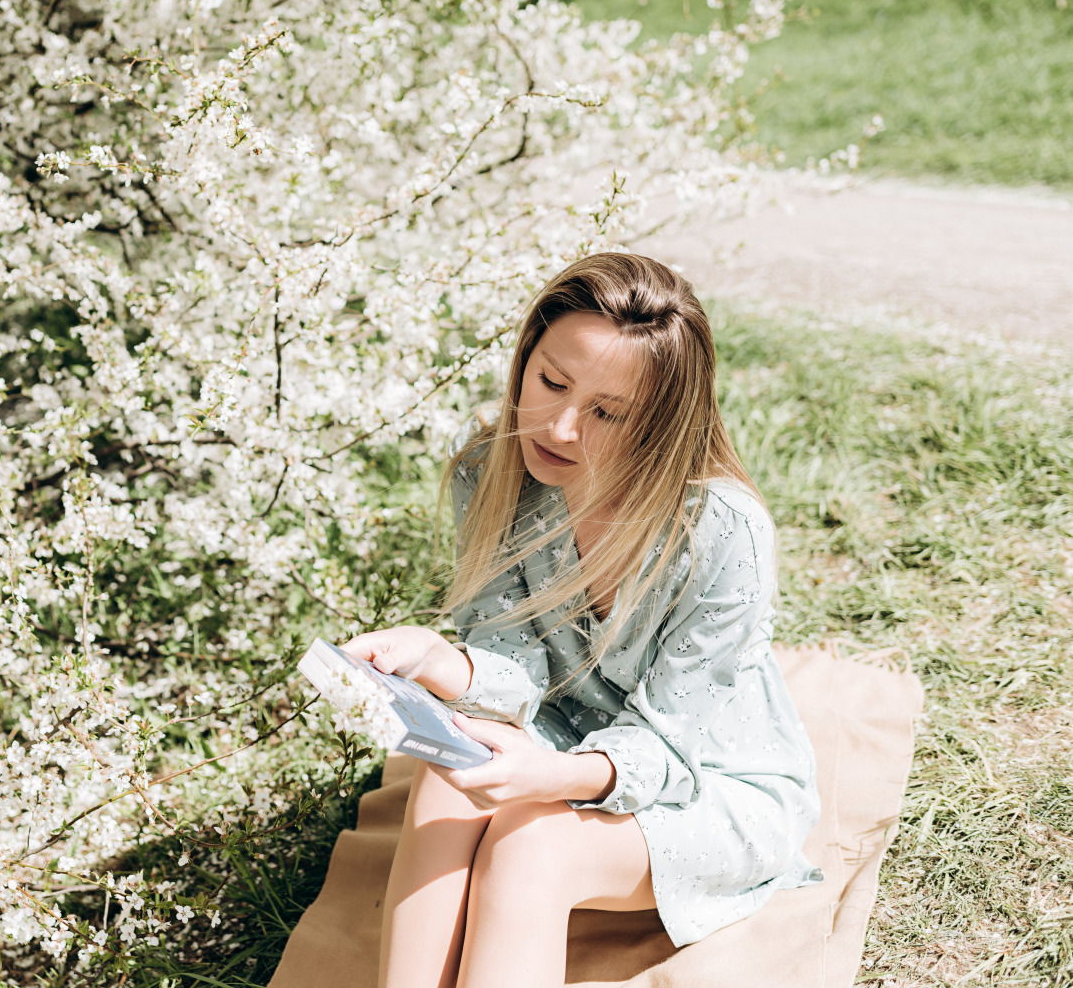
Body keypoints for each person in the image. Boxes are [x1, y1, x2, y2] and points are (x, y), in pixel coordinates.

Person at [341, 253, 822, 988]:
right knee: (448, 780)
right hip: (564, 729)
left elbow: (670, 743)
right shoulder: (496, 464)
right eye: (551, 382)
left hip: (706, 781)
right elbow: (510, 654)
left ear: (658, 424)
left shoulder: (723, 532)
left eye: (607, 412)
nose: (560, 428)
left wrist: (553, 777)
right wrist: (439, 659)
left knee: (530, 847)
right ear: (525, 357)